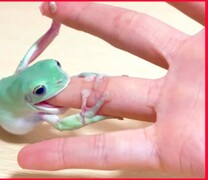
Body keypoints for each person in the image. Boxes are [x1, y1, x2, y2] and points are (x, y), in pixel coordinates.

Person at [17, 2, 205, 177]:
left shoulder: (23, 70)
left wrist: (54, 26)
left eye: (57, 65)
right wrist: (88, 116)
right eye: (40, 90)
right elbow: (59, 125)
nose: (62, 77)